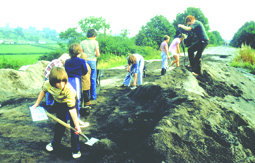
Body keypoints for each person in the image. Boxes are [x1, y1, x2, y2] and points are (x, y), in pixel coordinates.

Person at [31, 67, 82, 159]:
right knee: (60, 124)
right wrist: (36, 104)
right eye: (58, 82)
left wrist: (77, 125)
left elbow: (72, 109)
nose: (61, 84)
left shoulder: (68, 89)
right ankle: (55, 144)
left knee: (74, 127)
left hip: (71, 103)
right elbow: (43, 91)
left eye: (63, 81)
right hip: (59, 103)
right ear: (52, 81)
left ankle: (75, 149)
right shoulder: (47, 84)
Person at [65, 44, 88, 119]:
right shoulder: (81, 61)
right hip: (76, 80)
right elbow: (85, 71)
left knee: (69, 99)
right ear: (79, 52)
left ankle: (68, 118)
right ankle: (77, 119)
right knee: (77, 99)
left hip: (67, 81)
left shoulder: (67, 61)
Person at [80, 29, 100, 100]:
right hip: (92, 62)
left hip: (84, 62)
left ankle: (86, 96)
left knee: (85, 79)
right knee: (93, 79)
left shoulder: (82, 42)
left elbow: (81, 54)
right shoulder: (95, 42)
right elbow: (98, 54)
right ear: (94, 35)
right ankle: (93, 96)